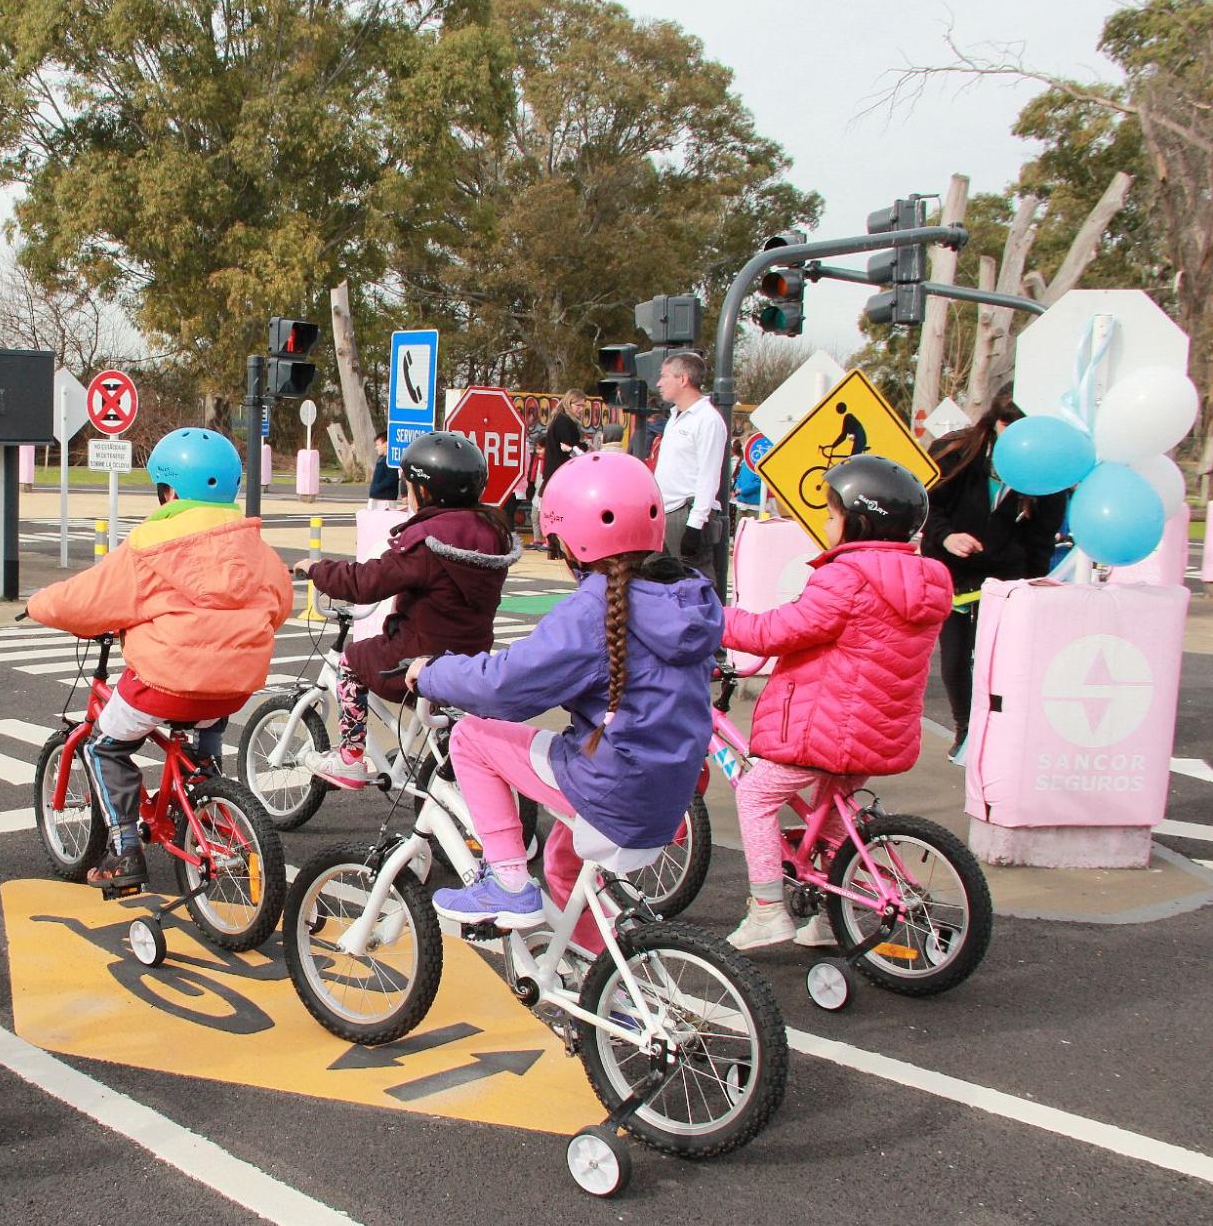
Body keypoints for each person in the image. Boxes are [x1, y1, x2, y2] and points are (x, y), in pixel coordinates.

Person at [405, 453, 721, 948]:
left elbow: (506, 687)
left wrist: (432, 673)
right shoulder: (688, 596)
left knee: (470, 737)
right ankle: (608, 985)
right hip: (669, 793)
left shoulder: (593, 610)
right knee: (562, 864)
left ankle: (507, 881)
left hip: (613, 787)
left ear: (573, 542)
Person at [27, 428, 293, 890]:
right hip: (236, 683)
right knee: (209, 712)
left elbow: (87, 598)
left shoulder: (151, 544)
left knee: (102, 747)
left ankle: (125, 848)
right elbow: (280, 605)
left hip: (166, 681)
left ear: (168, 490)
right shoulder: (257, 547)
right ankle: (207, 780)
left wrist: (37, 605)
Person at [721, 456, 953, 949]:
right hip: (880, 731)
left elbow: (776, 632)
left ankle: (766, 910)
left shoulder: (847, 577)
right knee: (829, 822)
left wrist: (712, 619)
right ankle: (831, 919)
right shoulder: (926, 579)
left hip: (825, 731)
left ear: (859, 520)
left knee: (756, 795)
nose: (825, 524)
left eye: (831, 514)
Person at [295, 431, 519, 788]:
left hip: (416, 656)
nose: (406, 494)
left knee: (353, 660)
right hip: (469, 656)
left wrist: (317, 570)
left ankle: (351, 756)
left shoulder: (427, 542)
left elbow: (365, 583)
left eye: (409, 486)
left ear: (426, 491)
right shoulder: (491, 532)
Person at [922, 388, 1066, 763]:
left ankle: (1000, 731)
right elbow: (927, 508)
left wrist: (1033, 586)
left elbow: (1041, 538)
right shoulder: (957, 454)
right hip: (952, 574)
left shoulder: (1045, 472)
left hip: (1007, 580)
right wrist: (947, 537)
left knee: (1002, 659)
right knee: (954, 656)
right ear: (996, 423)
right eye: (1011, 430)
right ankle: (965, 728)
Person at [651, 351, 728, 587]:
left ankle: (710, 624)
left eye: (664, 376)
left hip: (687, 512)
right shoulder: (675, 417)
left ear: (683, 379)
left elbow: (709, 475)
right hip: (666, 512)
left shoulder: (707, 420)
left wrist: (694, 526)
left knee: (696, 584)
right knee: (656, 579)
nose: (659, 383)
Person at [526, 391, 591, 551]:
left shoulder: (559, 420)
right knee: (563, 511)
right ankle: (557, 543)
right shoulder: (565, 423)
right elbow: (569, 447)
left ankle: (553, 542)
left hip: (555, 473)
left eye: (583, 406)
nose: (581, 409)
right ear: (570, 404)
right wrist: (585, 446)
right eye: (579, 405)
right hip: (562, 473)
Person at [367, 433, 400, 504]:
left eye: (378, 445)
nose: (376, 448)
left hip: (385, 499)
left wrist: (377, 488)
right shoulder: (381, 459)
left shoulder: (391, 461)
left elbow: (392, 478)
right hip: (376, 497)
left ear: (386, 444)